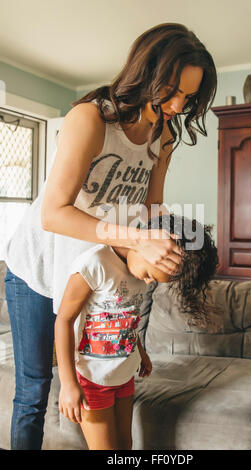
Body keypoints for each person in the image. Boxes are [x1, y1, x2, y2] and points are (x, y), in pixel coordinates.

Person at [3, 22, 217, 449]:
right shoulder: (91, 119)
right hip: (37, 268)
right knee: (33, 392)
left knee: (89, 383)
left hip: (86, 270)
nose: (178, 104)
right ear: (147, 73)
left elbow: (152, 210)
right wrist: (135, 239)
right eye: (172, 90)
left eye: (188, 97)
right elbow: (53, 213)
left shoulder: (164, 136)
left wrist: (179, 241)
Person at [55, 214, 219, 450]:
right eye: (152, 276)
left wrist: (139, 351)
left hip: (124, 375)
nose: (150, 282)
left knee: (126, 446)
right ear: (153, 246)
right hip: (92, 378)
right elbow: (63, 320)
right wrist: (68, 383)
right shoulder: (95, 263)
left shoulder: (139, 274)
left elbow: (127, 317)